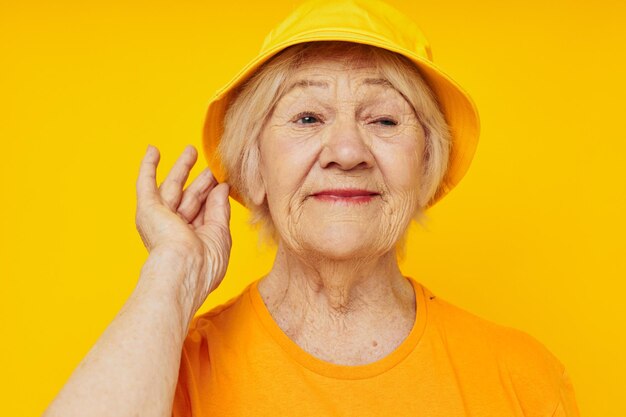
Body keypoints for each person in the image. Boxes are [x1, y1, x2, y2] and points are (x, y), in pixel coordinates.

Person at [43, 0, 580, 416]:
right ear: (253, 167)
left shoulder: (521, 378)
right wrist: (171, 274)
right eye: (306, 118)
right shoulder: (167, 368)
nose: (347, 153)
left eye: (384, 120)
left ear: (426, 163)